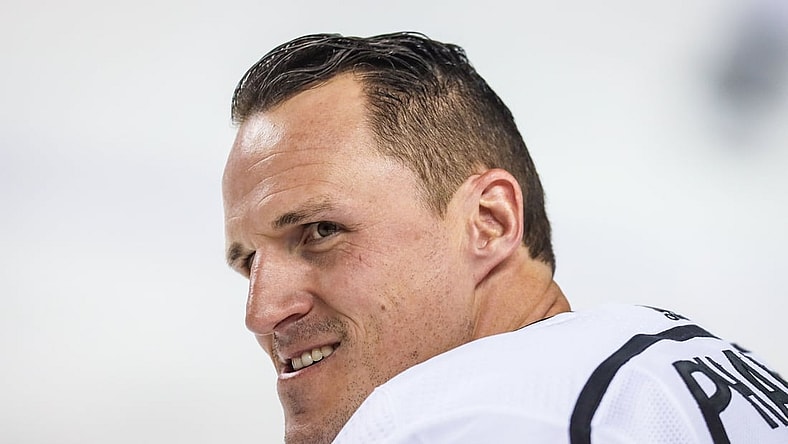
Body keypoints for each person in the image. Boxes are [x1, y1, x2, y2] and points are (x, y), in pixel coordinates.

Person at [221, 32, 788, 443]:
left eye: (320, 232)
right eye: (248, 262)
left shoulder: (455, 417)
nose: (261, 312)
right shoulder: (704, 365)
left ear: (489, 223)